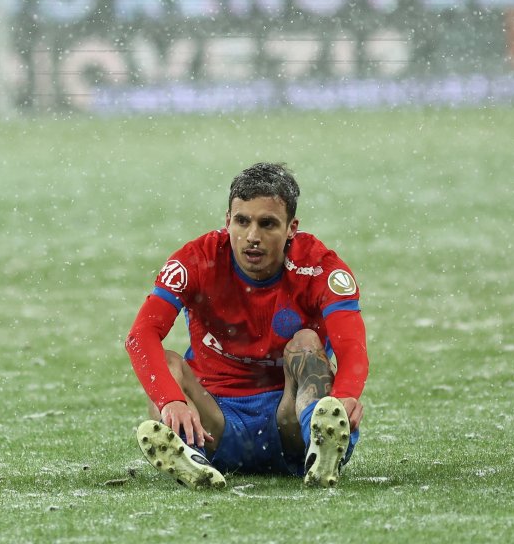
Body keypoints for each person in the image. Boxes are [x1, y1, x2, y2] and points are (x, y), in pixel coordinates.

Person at [124, 162, 368, 488]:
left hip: (289, 421)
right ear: (227, 221)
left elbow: (352, 345)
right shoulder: (197, 260)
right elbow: (141, 335)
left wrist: (347, 395)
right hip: (214, 422)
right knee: (168, 365)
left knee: (307, 342)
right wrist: (171, 401)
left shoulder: (318, 266)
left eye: (267, 224)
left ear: (292, 227)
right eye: (242, 221)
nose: (252, 237)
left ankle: (321, 448)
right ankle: (190, 457)